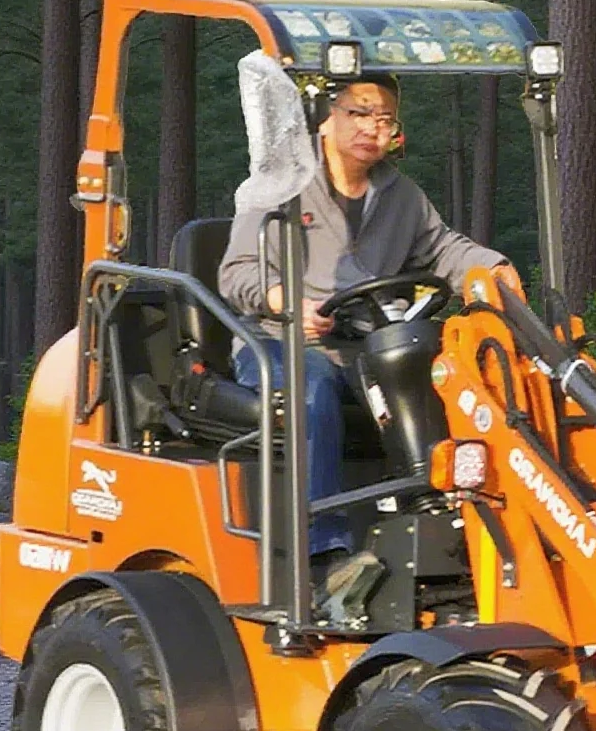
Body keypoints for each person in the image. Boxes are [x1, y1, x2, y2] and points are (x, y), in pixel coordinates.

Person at [218, 74, 508, 569]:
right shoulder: (281, 182)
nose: (373, 127)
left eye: (385, 118)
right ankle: (323, 550)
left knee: (449, 386)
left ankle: (446, 533)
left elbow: (443, 250)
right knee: (314, 391)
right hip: (277, 341)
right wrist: (283, 300)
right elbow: (236, 272)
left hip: (363, 348)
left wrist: (494, 271)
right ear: (327, 118)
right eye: (360, 113)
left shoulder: (401, 196)